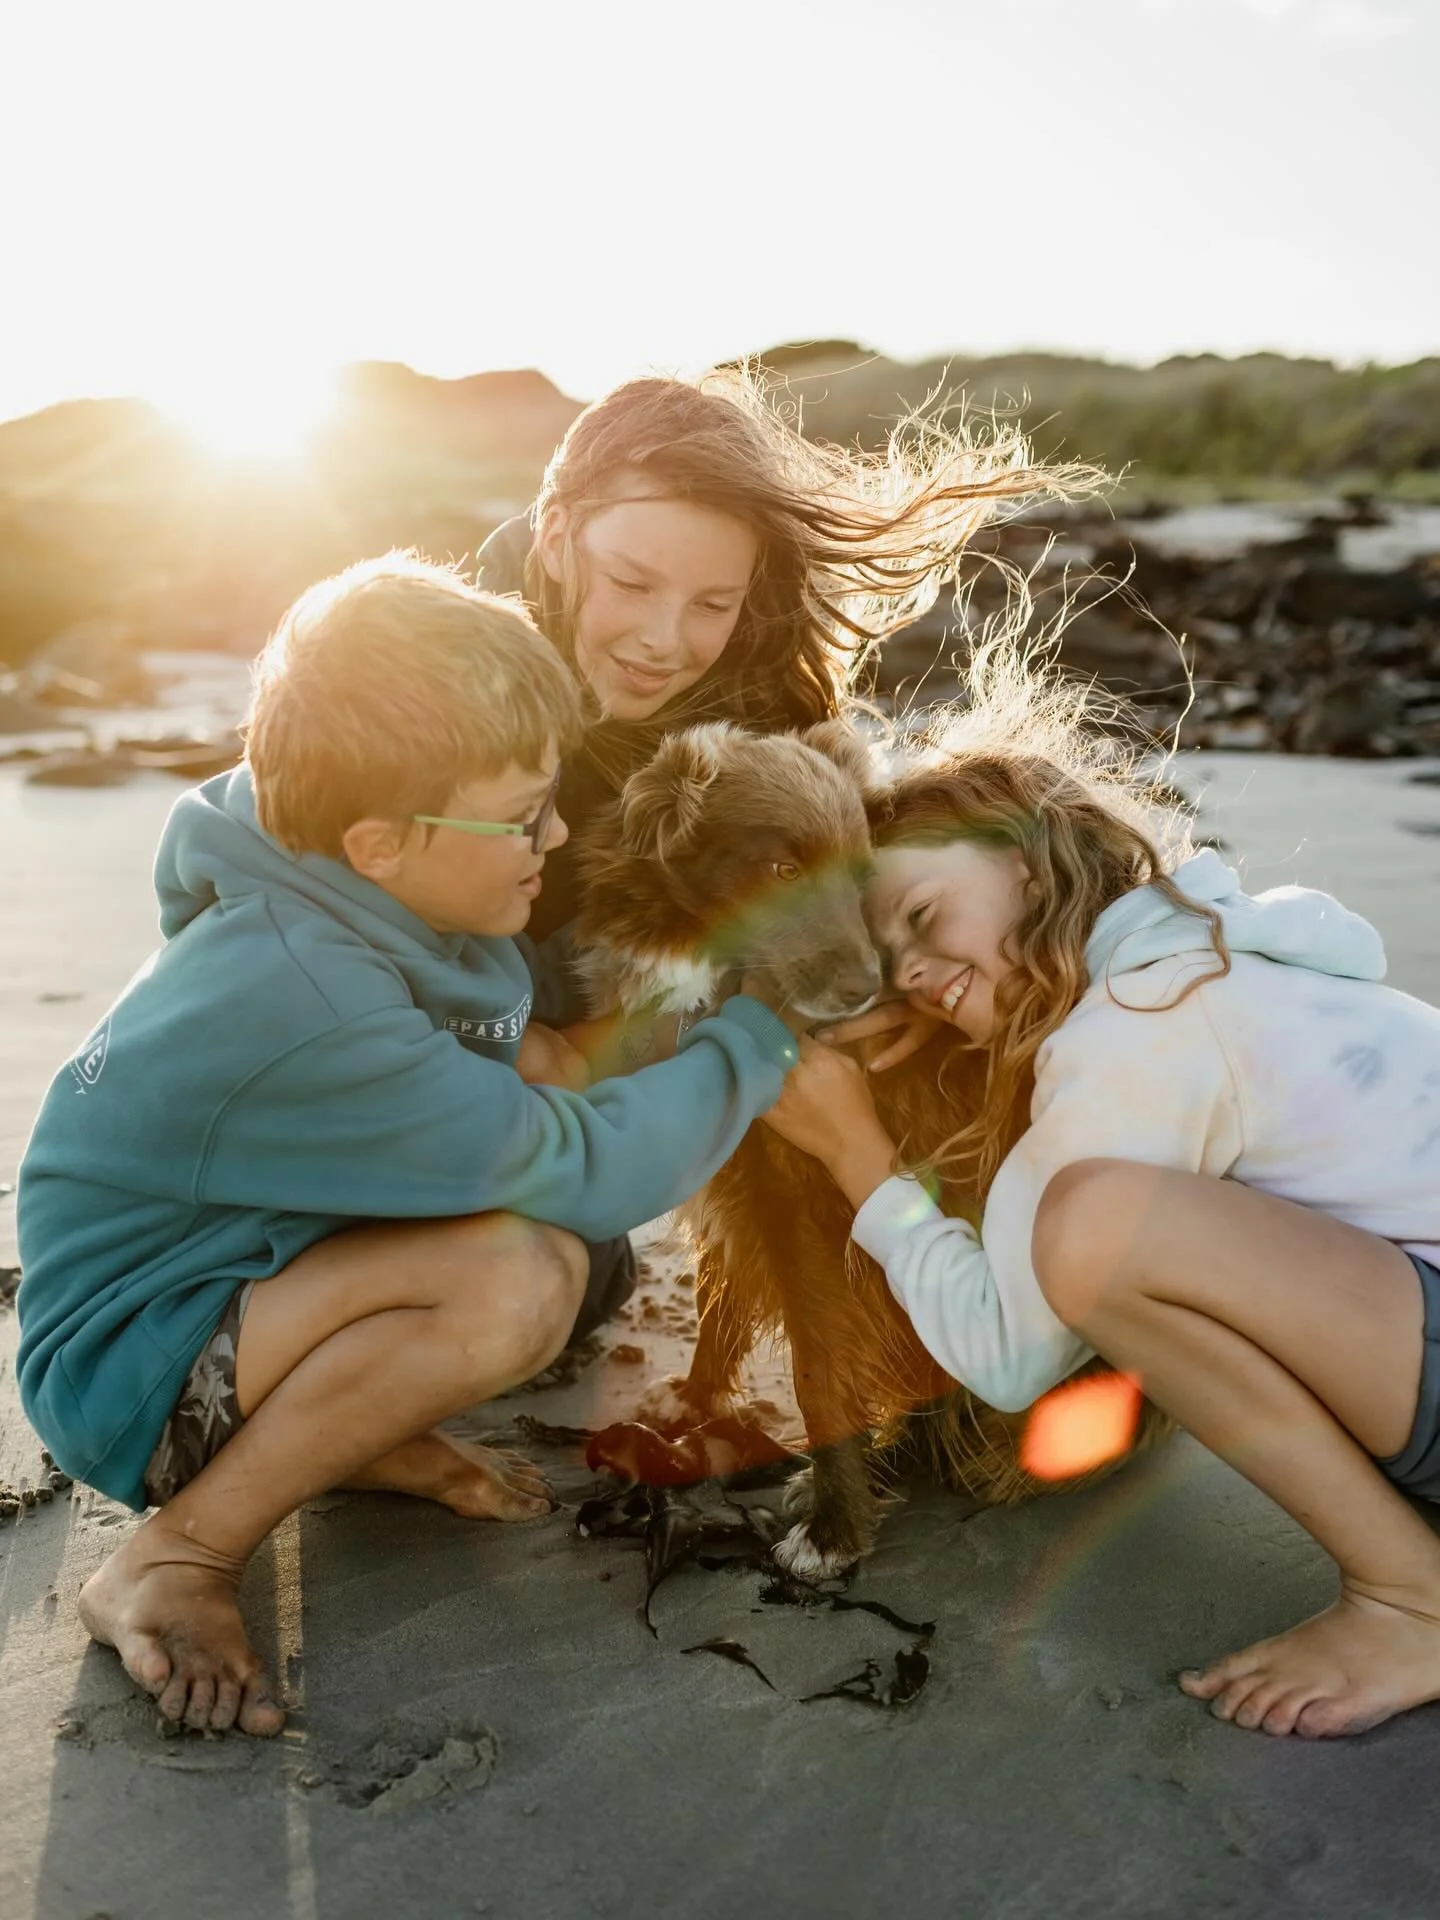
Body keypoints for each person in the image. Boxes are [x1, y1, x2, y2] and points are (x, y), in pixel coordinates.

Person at [15, 554, 801, 1737]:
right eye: (522, 816)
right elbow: (589, 1168)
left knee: (574, 1224)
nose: (556, 832)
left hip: (249, 1261)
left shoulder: (347, 869)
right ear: (380, 843)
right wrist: (764, 1036)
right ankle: (179, 1553)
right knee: (518, 1284)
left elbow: (549, 1063)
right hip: (133, 1370)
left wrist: (702, 996)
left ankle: (349, 1435)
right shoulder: (303, 991)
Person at [761, 643, 1440, 1740]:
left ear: (1028, 859)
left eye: (922, 918)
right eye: (892, 971)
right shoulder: (1223, 943)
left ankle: (1412, 1597)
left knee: (1091, 1231)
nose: (916, 976)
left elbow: (1007, 1357)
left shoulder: (1135, 1032)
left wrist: (858, 1157)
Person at [477, 366, 1102, 941]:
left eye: (712, 604)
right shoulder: (451, 694)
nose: (663, 640)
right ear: (555, 539)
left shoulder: (770, 719)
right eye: (631, 584)